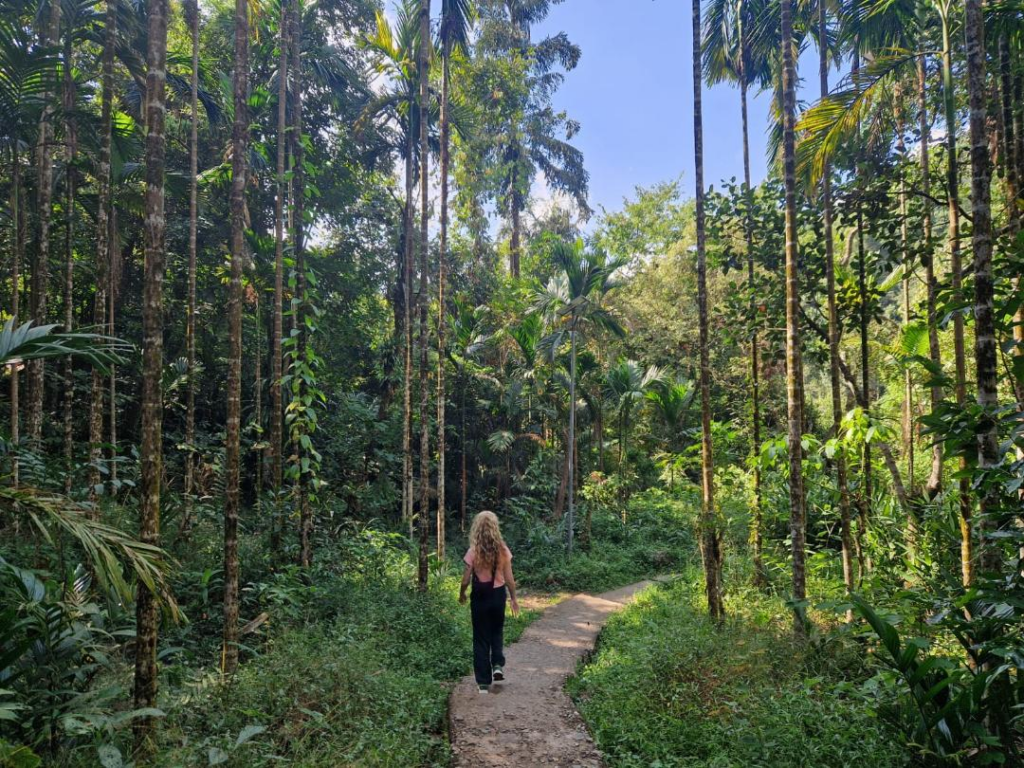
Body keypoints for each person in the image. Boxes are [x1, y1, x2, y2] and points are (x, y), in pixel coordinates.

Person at [459, 511, 520, 693]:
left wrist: (462, 594)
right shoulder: (503, 550)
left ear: (477, 528)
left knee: (480, 638)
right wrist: (514, 599)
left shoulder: (473, 551)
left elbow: (465, 580)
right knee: (497, 631)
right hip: (498, 595)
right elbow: (509, 579)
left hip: (479, 596)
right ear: (495, 528)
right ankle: (497, 665)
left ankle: (483, 684)